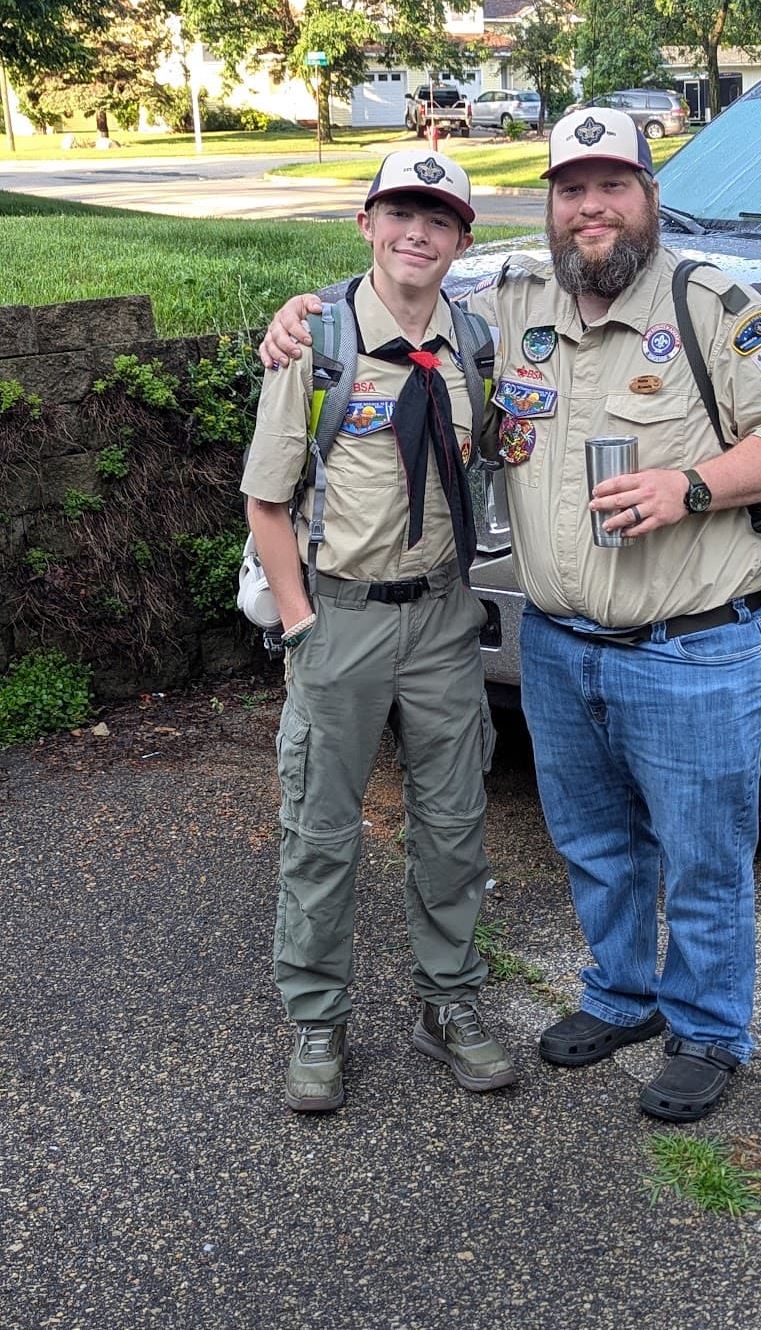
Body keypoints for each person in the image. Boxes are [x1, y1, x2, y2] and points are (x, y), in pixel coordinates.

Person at [259, 110, 761, 1123]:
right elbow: (403, 289)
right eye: (573, 190)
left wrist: (691, 487)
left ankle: (707, 1031)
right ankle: (621, 996)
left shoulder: (713, 305)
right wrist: (301, 312)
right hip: (562, 646)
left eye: (613, 186)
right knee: (595, 846)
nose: (592, 208)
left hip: (690, 646)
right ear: (550, 206)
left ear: (650, 199)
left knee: (701, 857)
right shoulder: (512, 304)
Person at [243, 148, 516, 1112]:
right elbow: (267, 502)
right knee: (321, 830)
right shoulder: (316, 340)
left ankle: (449, 1001)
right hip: (343, 618)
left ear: (461, 240)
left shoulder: (476, 345)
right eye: (400, 212)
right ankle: (317, 1019)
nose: (417, 232)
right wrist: (305, 625)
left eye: (438, 219)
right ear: (366, 223)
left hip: (443, 615)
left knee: (455, 825)